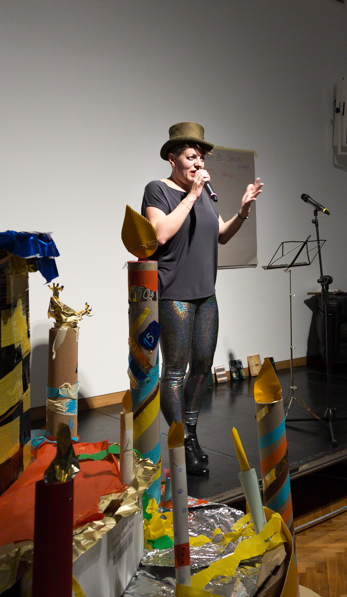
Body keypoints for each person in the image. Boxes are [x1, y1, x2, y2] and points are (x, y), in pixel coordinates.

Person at [143, 122, 263, 476]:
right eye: (191, 157)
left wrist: (243, 210)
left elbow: (221, 234)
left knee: (201, 367)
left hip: (205, 294)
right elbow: (160, 234)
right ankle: (180, 440)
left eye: (201, 158)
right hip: (174, 294)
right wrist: (192, 196)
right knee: (175, 370)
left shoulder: (206, 194)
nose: (198, 163)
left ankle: (191, 434)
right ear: (172, 159)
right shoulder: (157, 190)